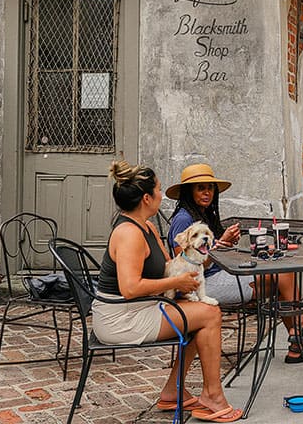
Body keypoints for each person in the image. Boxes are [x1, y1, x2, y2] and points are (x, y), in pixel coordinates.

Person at [93, 160, 241, 422]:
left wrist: (198, 256)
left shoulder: (147, 226)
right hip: (120, 318)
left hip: (144, 306)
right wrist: (176, 284)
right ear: (147, 198)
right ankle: (212, 396)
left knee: (204, 311)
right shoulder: (129, 233)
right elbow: (129, 288)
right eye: (159, 190)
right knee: (209, 316)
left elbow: (169, 266)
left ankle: (173, 393)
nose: (162, 196)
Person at [166, 163, 303, 365]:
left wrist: (226, 244)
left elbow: (211, 254)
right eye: (201, 188)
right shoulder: (184, 219)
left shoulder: (203, 213)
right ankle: (301, 334)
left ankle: (299, 342)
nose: (207, 192)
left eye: (210, 188)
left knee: (282, 275)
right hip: (204, 285)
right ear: (188, 192)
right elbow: (185, 266)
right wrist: (219, 245)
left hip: (220, 273)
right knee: (283, 275)